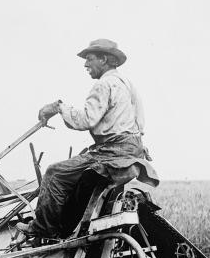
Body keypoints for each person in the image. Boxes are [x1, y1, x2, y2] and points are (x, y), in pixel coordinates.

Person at [16, 38, 159, 240]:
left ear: (104, 59)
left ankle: (43, 229)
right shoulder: (127, 84)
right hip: (132, 150)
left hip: (111, 153)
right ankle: (66, 226)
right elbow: (139, 123)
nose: (85, 64)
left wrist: (58, 107)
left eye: (89, 59)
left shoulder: (104, 84)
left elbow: (85, 120)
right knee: (75, 172)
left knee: (54, 173)